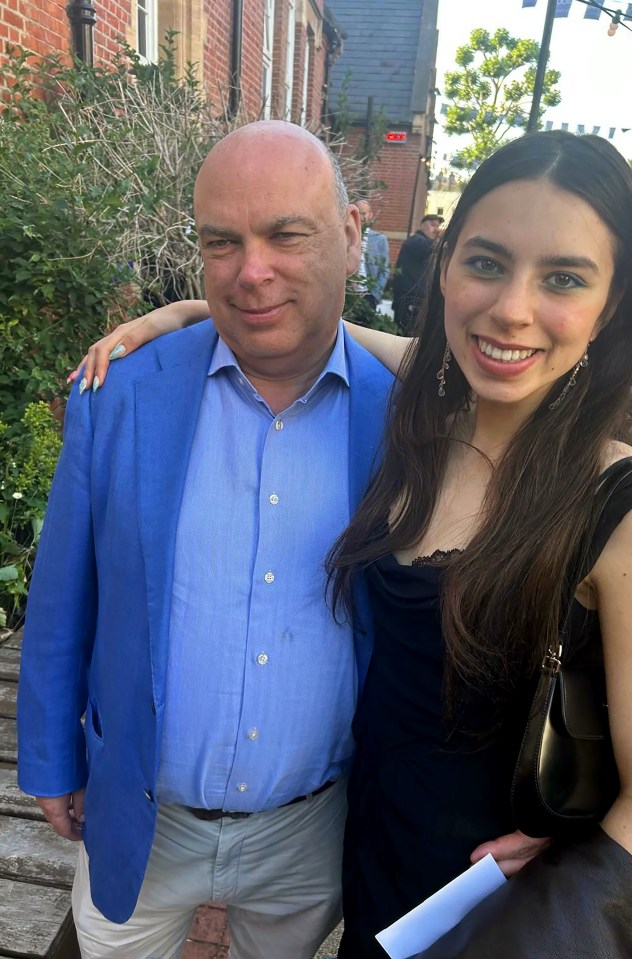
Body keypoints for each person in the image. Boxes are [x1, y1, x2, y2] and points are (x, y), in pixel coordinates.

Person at [83, 130, 632, 958]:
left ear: (612, 303)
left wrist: (566, 869)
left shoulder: (612, 499)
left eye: (563, 278)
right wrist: (196, 312)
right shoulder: (421, 420)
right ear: (445, 270)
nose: (512, 308)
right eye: (486, 263)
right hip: (370, 851)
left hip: (502, 899)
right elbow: (328, 332)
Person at [17, 120, 395, 959]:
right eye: (220, 242)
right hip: (139, 813)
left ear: (353, 233)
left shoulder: (407, 419)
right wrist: (48, 757)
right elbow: (62, 594)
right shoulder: (120, 395)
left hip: (312, 828)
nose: (249, 271)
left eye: (285, 235)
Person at [392, 213, 443, 333]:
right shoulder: (416, 240)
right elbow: (427, 248)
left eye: (437, 226)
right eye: (432, 225)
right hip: (409, 298)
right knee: (406, 334)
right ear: (422, 226)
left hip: (415, 298)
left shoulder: (422, 242)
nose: (435, 229)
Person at [354, 199, 390, 310]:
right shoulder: (345, 238)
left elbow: (384, 269)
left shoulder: (379, 240)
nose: (361, 217)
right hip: (348, 296)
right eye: (358, 213)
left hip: (368, 295)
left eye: (364, 213)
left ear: (370, 215)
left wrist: (375, 294)